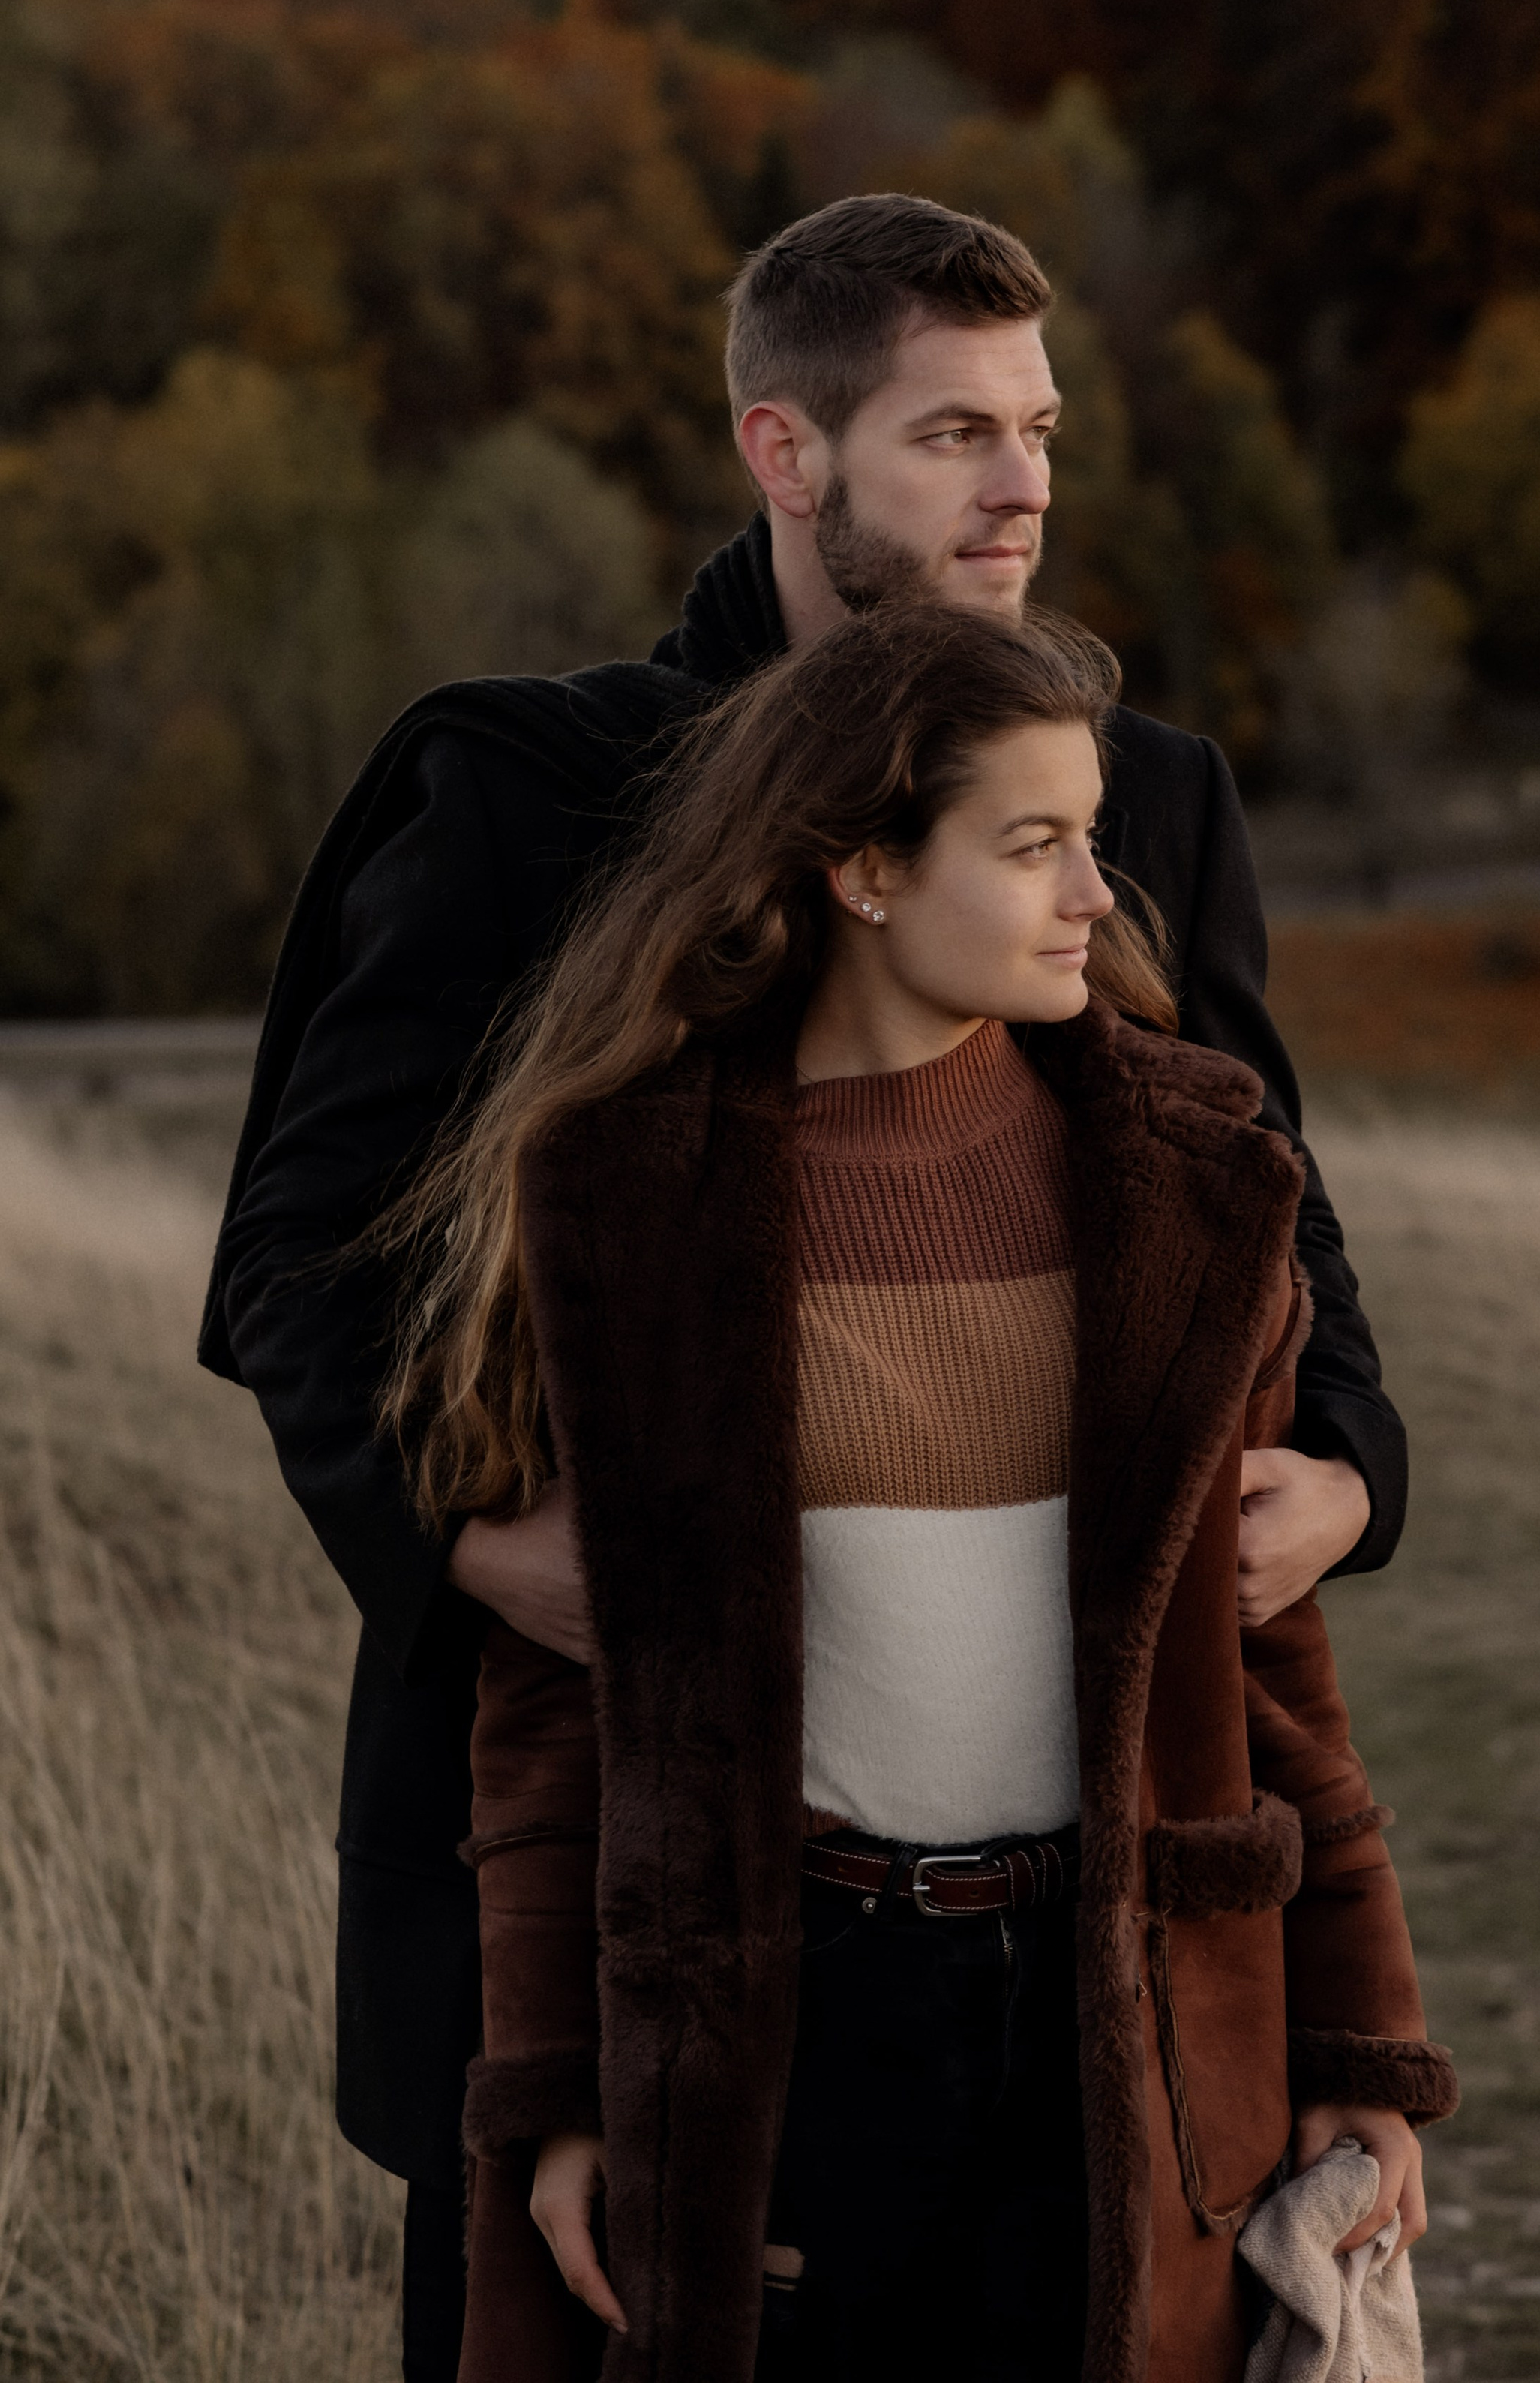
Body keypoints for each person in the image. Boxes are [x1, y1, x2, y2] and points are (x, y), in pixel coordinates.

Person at [198, 193, 1411, 2377]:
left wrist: (1347, 1470)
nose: (1023, 482)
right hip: (604, 1856)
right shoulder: (523, 790)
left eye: (1038, 429)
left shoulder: (1128, 796)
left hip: (1071, 1886)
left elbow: (1267, 1220)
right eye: (953, 433)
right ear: (787, 454)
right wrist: (492, 1546)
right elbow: (299, 1264)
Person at [383, 602, 1454, 2382]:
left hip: (1130, 2016)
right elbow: (560, 1707)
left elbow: (1272, 1670)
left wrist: (1357, 2044)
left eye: (1090, 838)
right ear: (862, 867)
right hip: (786, 2024)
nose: (1093, 895)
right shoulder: (624, 1203)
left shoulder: (1194, 1183)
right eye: (1030, 845)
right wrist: (561, 2093)